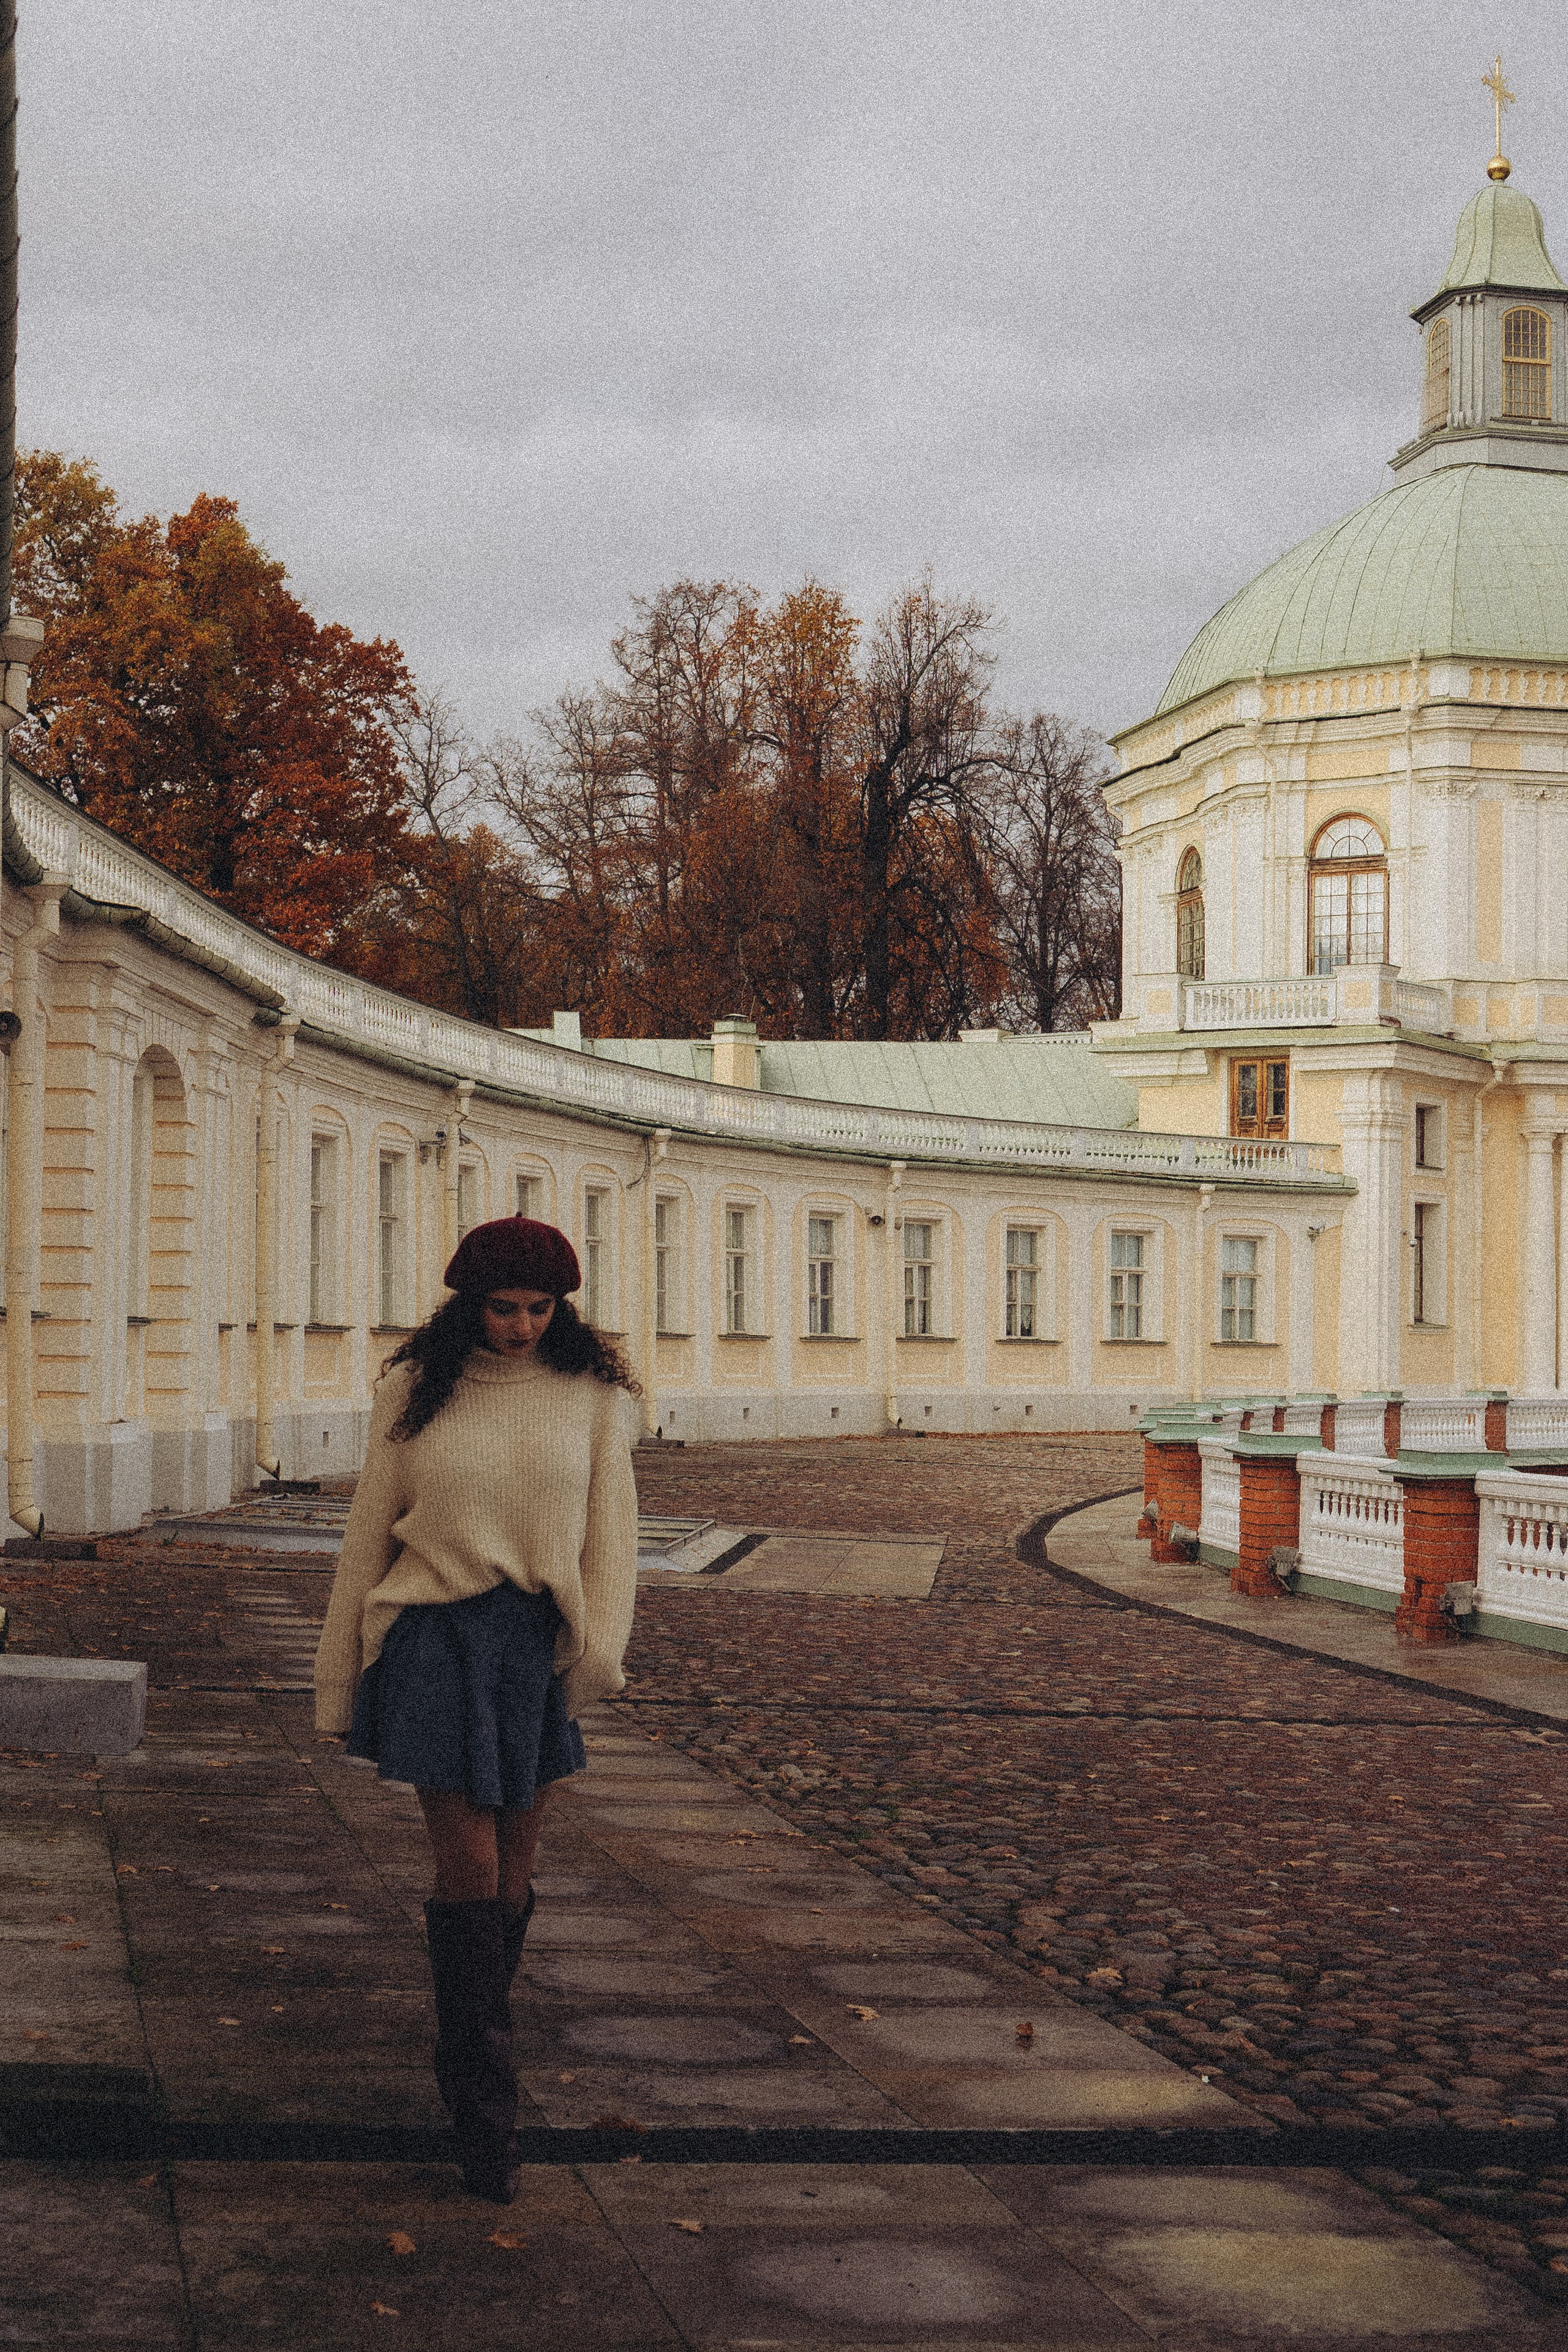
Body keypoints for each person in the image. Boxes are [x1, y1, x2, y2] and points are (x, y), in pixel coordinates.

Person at [313, 1215, 639, 2202]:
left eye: (542, 1308)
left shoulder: (591, 1396)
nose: (522, 1326)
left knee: (512, 1882)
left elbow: (611, 1536)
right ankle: (489, 2115)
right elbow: (370, 1527)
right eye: (504, 1307)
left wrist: (597, 1659)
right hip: (435, 1641)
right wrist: (339, 1675)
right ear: (468, 1304)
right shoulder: (415, 1390)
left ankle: (467, 2070)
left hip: (532, 1651)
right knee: (471, 1866)